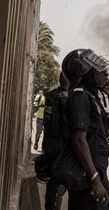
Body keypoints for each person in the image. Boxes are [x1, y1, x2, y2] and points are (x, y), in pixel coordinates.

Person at [62, 49, 109, 210]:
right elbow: (78, 140)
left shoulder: (93, 97)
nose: (106, 75)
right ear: (87, 73)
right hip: (88, 177)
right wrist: (94, 179)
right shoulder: (80, 97)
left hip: (97, 172)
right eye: (101, 72)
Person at [43, 72, 70, 210]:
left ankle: (50, 207)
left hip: (50, 144)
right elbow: (65, 126)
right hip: (61, 146)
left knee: (52, 182)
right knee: (64, 180)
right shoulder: (65, 99)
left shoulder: (51, 95)